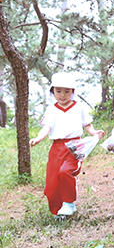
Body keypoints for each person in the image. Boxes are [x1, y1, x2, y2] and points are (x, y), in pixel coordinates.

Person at [29, 72, 104, 218]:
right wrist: (38, 138)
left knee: (66, 172)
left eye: (67, 91)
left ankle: (69, 203)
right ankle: (58, 211)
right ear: (53, 91)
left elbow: (87, 124)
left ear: (73, 91)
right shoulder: (51, 109)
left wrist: (94, 133)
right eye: (58, 91)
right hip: (57, 148)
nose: (62, 95)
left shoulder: (79, 107)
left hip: (75, 146)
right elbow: (47, 127)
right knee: (52, 183)